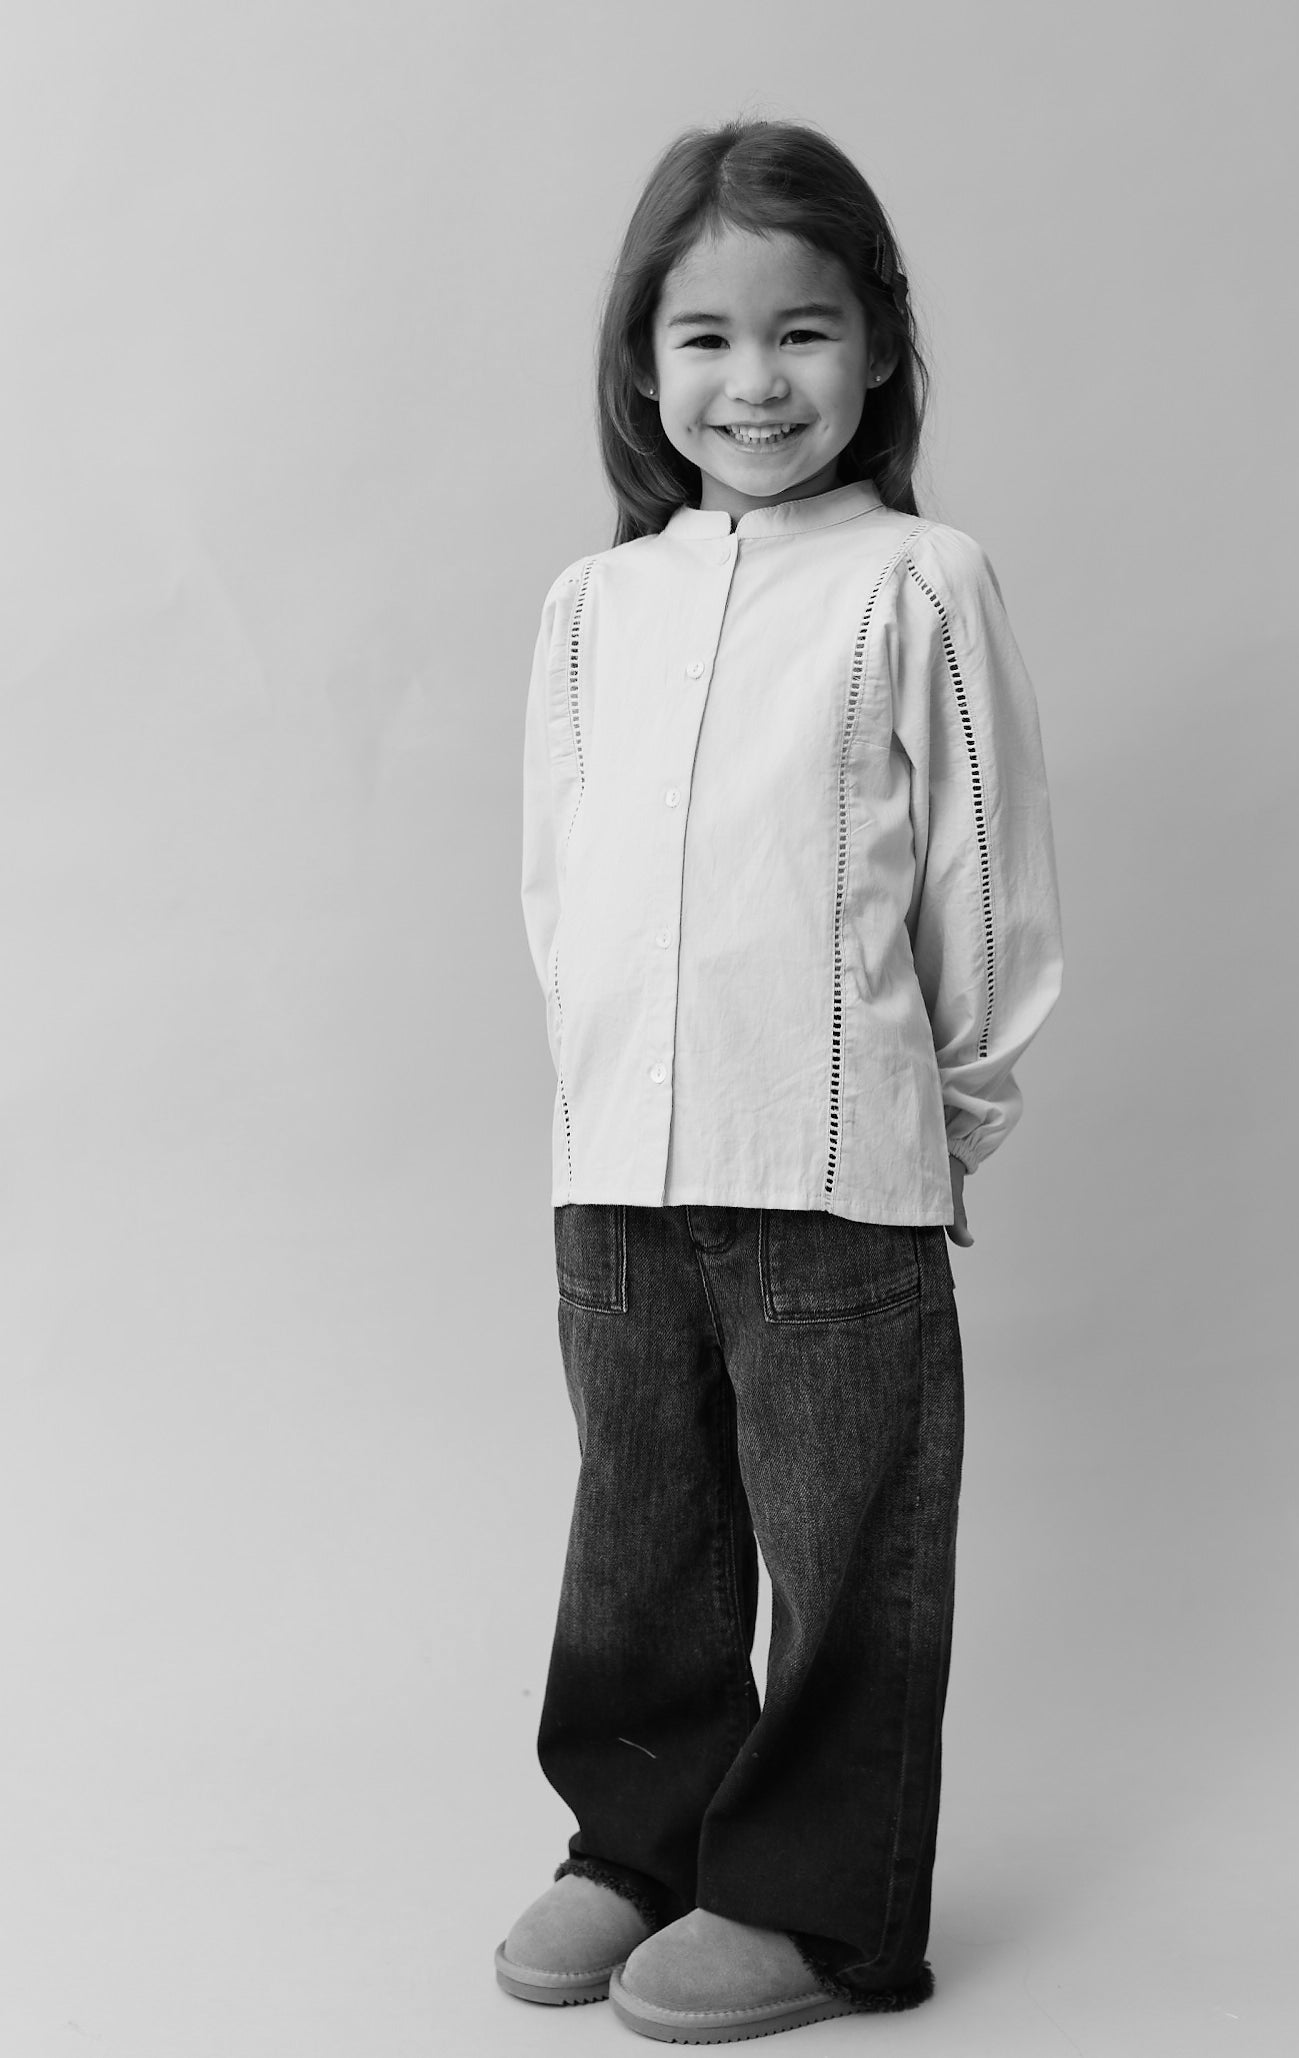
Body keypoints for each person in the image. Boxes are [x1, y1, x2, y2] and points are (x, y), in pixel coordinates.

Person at [498, 117, 1063, 2043]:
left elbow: (988, 884)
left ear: (879, 346)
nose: (757, 380)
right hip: (620, 1170)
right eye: (708, 337)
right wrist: (597, 1091)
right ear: (643, 363)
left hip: (834, 1164)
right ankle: (636, 1843)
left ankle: (821, 1910)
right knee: (639, 1530)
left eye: (803, 330)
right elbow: (560, 883)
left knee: (844, 1547)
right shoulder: (595, 607)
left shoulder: (918, 582)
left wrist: (945, 1119)